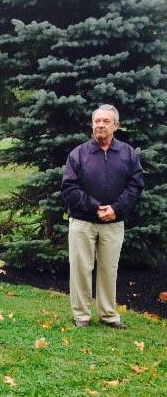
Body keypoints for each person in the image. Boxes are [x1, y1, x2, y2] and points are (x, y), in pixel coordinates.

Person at [61, 104, 144, 329]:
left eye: (105, 121)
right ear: (92, 124)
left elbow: (135, 185)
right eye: (96, 121)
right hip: (83, 222)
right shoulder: (78, 154)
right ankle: (81, 315)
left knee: (109, 269)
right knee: (80, 268)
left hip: (113, 223)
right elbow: (69, 188)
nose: (100, 125)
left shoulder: (127, 154)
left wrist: (116, 209)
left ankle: (108, 314)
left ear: (115, 125)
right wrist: (96, 207)